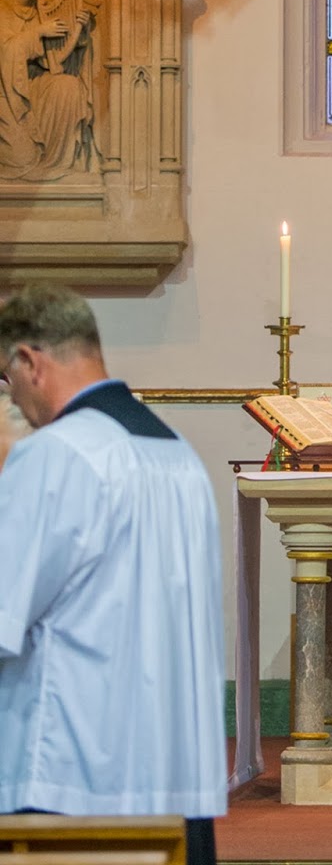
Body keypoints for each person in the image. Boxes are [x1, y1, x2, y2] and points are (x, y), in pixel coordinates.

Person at [0, 286, 226, 865]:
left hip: (72, 775)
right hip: (176, 777)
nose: (14, 398)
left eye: (7, 378)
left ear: (30, 360)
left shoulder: (55, 455)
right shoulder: (177, 453)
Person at [0, 0, 93, 179]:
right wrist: (38, 32)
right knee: (21, 160)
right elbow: (6, 51)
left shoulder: (41, 11)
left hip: (35, 85)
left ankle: (57, 160)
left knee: (67, 85)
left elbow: (53, 59)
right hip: (6, 92)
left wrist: (80, 31)